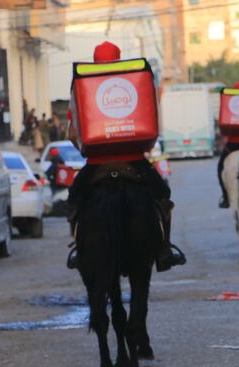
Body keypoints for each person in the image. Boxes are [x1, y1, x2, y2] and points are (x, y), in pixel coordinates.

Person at [65, 41, 185, 273]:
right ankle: (164, 250)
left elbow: (72, 133)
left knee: (74, 199)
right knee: (163, 193)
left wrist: (86, 148)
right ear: (118, 58)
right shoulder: (133, 80)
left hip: (96, 163)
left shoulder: (80, 86)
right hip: (134, 161)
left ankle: (80, 251)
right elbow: (150, 123)